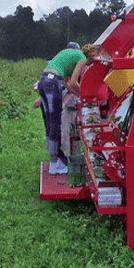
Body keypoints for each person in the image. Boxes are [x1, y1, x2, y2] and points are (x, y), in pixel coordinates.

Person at [38, 42, 94, 174]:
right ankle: (55, 164)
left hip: (44, 80)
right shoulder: (82, 58)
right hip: (53, 83)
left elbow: (67, 84)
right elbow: (74, 82)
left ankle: (55, 161)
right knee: (55, 123)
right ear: (90, 57)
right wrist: (86, 95)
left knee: (50, 123)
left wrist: (79, 95)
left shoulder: (70, 55)